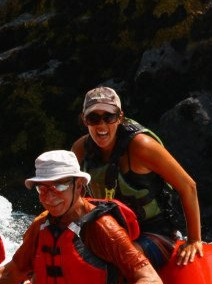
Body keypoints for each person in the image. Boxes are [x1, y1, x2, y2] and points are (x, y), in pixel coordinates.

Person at [0, 150, 164, 284]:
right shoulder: (42, 224)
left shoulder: (103, 228)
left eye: (59, 186)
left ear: (78, 186)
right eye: (42, 188)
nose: (49, 197)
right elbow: (13, 272)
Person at [71, 86, 203, 268]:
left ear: (120, 117)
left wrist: (194, 239)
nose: (101, 125)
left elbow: (188, 186)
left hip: (156, 233)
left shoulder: (142, 147)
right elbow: (68, 195)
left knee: (116, 260)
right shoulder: (79, 149)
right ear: (85, 121)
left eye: (108, 117)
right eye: (93, 118)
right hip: (110, 231)